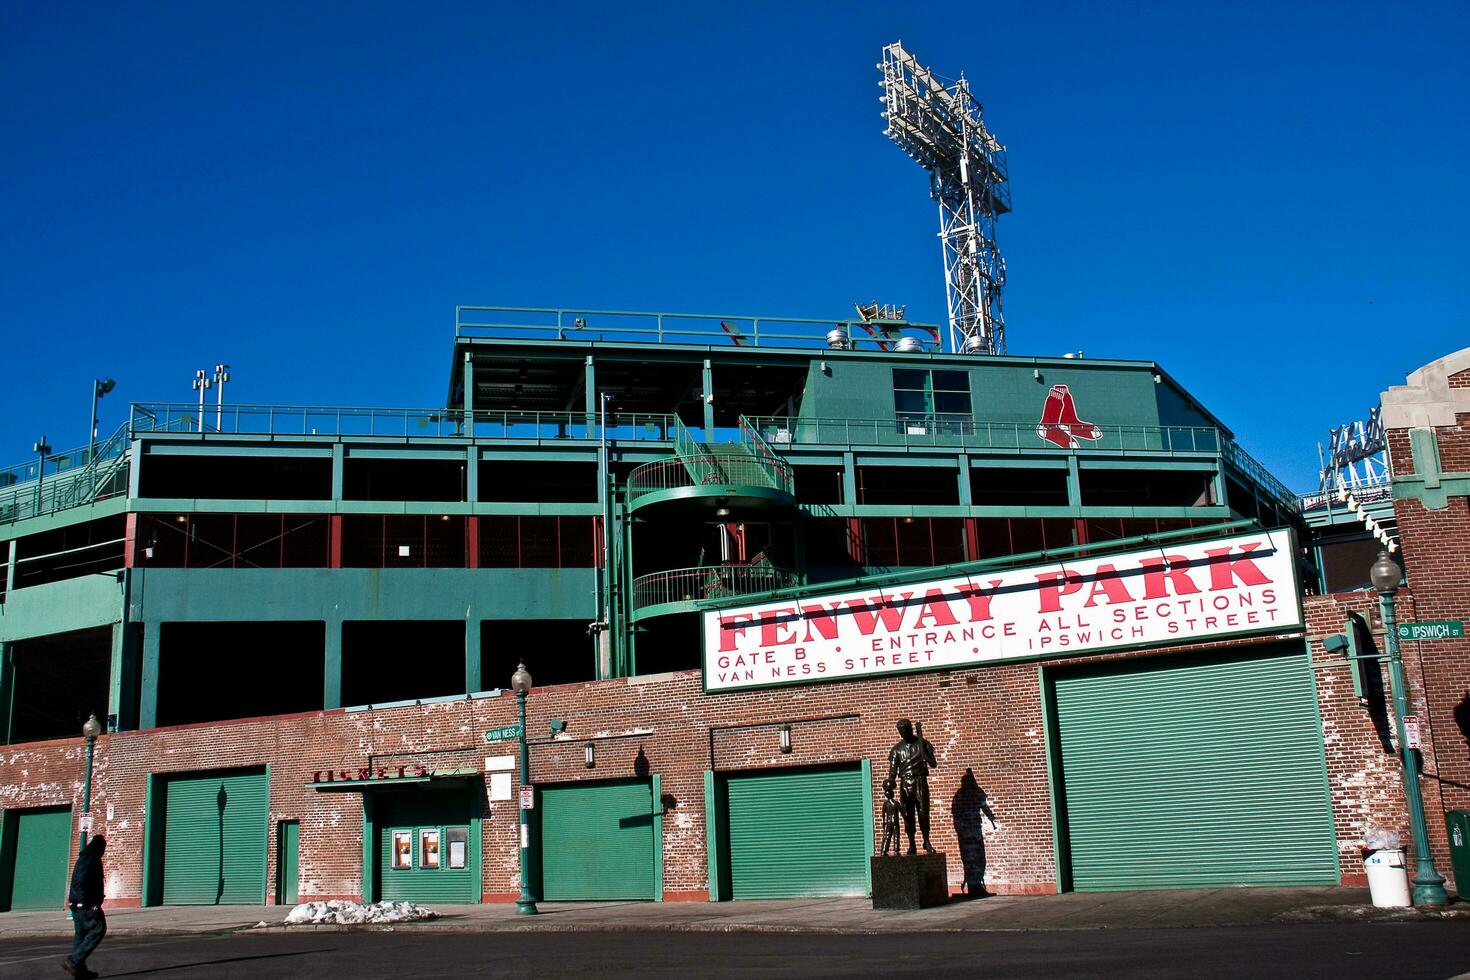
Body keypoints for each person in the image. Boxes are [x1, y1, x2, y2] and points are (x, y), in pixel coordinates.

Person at [63, 835, 106, 979]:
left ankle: (79, 971)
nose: (104, 851)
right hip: (86, 905)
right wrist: (86, 902)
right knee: (98, 930)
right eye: (103, 848)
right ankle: (74, 961)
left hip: (77, 904)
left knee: (80, 934)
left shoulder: (85, 857)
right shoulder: (90, 859)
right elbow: (80, 881)